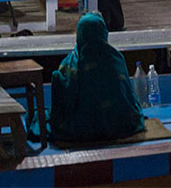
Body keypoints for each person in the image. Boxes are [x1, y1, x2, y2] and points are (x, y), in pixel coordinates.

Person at [48, 12, 144, 143]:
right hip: (117, 124)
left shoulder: (71, 64)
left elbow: (62, 95)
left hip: (79, 127)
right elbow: (128, 97)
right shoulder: (116, 60)